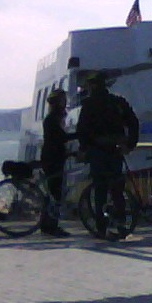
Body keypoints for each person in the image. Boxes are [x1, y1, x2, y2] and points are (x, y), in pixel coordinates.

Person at [75, 72, 139, 240]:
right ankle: (121, 224)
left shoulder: (88, 104)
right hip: (115, 150)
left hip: (97, 152)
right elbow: (133, 122)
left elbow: (82, 130)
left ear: (92, 85)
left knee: (100, 190)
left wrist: (84, 149)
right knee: (117, 189)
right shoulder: (118, 102)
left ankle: (101, 228)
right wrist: (130, 144)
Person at [38, 88, 76, 237]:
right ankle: (51, 226)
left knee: (53, 193)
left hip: (54, 157)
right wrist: (80, 134)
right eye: (63, 100)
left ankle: (47, 224)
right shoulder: (52, 119)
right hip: (53, 159)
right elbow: (61, 138)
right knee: (55, 193)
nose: (65, 103)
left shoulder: (54, 118)